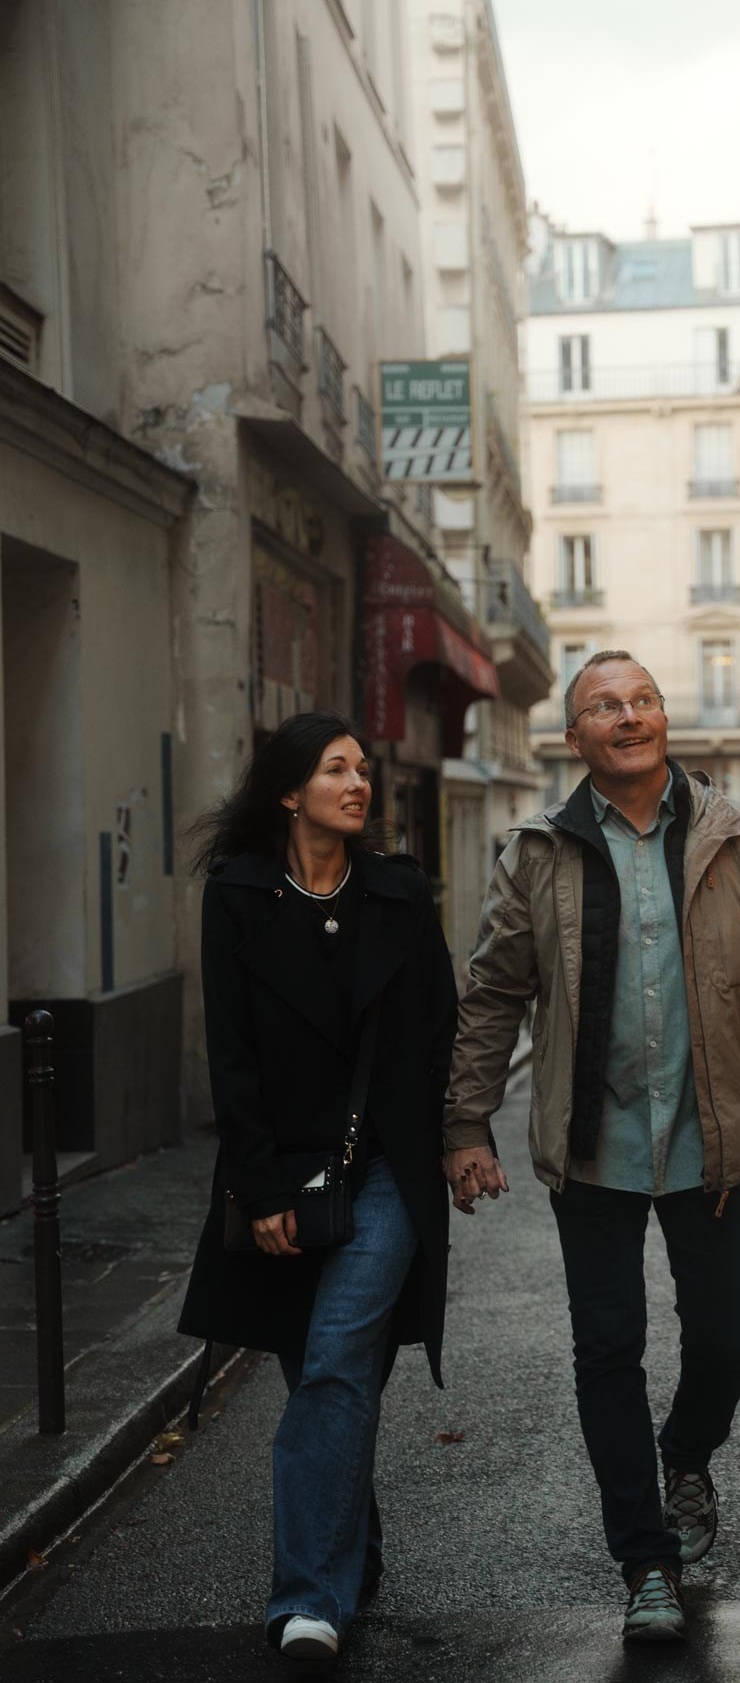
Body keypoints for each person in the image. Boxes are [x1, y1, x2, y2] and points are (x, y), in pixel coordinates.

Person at [443, 651, 740, 1642]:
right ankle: (644, 1560)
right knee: (606, 1349)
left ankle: (687, 1453)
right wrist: (466, 1121)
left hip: (715, 1144)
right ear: (574, 738)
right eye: (605, 708)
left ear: (665, 721)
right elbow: (493, 995)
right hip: (592, 1148)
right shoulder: (537, 852)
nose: (630, 717)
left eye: (644, 701)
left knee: (727, 1340)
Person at [177, 711, 457, 1663]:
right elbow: (233, 1058)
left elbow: (437, 1032)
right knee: (323, 1370)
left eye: (364, 769)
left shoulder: (400, 894)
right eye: (337, 769)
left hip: (386, 1170)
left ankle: (306, 1603)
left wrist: (458, 1139)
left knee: (336, 1357)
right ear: (291, 792)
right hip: (286, 1171)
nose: (359, 782)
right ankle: (352, 1548)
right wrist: (260, 1194)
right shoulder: (240, 895)